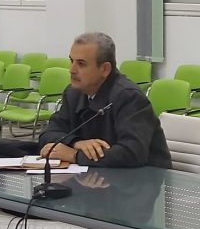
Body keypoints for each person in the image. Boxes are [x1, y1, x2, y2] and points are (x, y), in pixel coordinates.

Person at [38, 32, 171, 168]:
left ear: (105, 69)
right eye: (72, 61)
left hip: (145, 177)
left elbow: (131, 153)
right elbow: (47, 134)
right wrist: (76, 143)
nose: (71, 70)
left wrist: (74, 155)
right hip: (98, 175)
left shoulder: (129, 97)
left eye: (81, 64)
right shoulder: (73, 93)